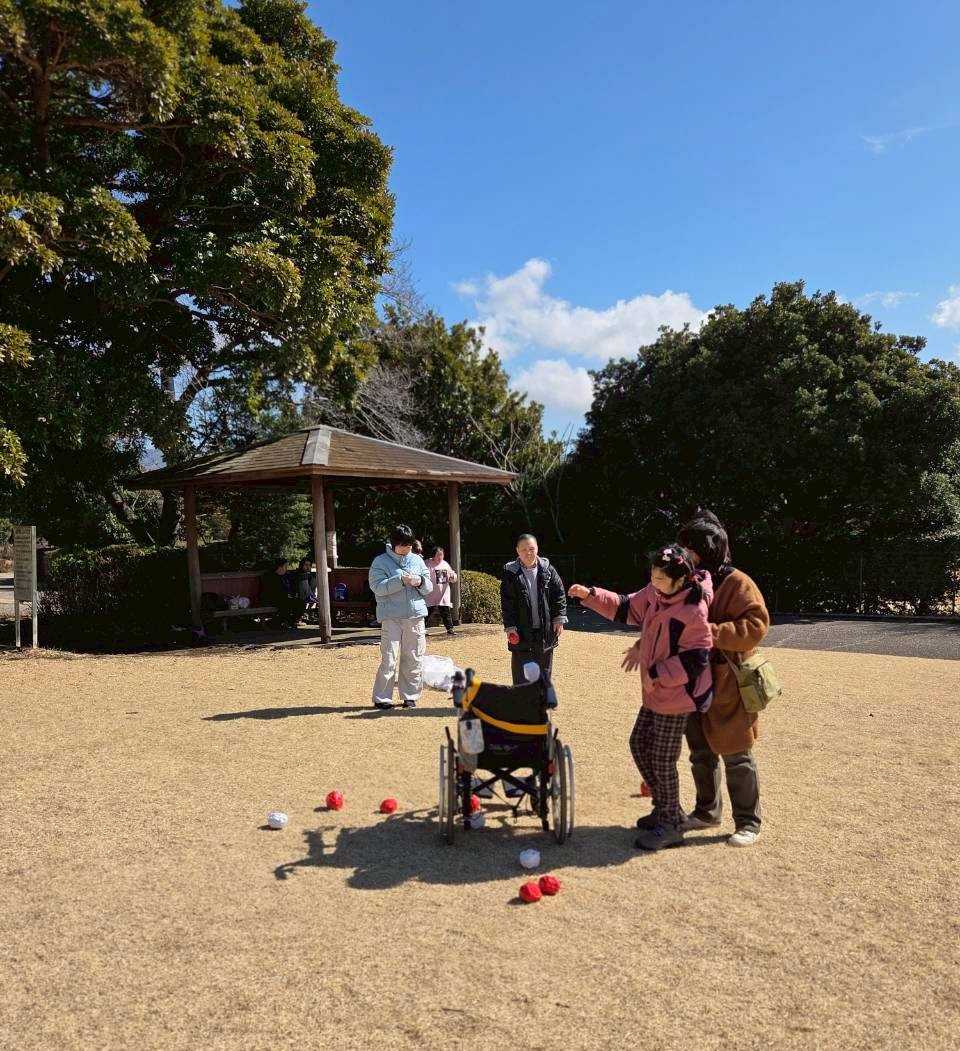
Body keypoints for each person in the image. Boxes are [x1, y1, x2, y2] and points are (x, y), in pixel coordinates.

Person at [569, 544, 714, 850]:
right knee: (639, 744)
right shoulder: (656, 594)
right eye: (652, 576)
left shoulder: (693, 610)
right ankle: (666, 809)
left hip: (677, 697)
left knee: (662, 760)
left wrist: (656, 673)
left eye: (660, 578)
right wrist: (590, 595)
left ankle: (671, 824)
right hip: (656, 693)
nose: (653, 582)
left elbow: (696, 659)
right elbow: (626, 607)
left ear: (680, 580)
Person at [675, 511, 769, 847]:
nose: (682, 554)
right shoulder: (686, 580)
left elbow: (756, 626)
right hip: (692, 681)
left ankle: (748, 822)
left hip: (729, 683)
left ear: (704, 550)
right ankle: (706, 811)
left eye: (688, 548)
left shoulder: (738, 582)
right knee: (700, 752)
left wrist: (710, 632)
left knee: (737, 754)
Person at [368, 524, 433, 710]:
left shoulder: (417, 560)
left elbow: (429, 587)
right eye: (404, 545)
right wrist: (400, 581)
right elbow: (377, 587)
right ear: (394, 544)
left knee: (414, 657)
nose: (407, 549)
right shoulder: (380, 562)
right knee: (389, 658)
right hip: (391, 617)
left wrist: (420, 581)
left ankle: (410, 696)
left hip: (415, 616)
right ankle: (382, 698)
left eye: (410, 545)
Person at [500, 534, 567, 686]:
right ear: (517, 551)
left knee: (544, 672)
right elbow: (507, 603)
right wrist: (510, 627)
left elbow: (559, 595)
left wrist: (559, 619)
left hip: (545, 630)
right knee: (521, 673)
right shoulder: (510, 573)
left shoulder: (548, 569)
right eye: (524, 549)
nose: (528, 553)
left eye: (531, 548)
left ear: (537, 549)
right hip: (521, 630)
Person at [424, 543, 458, 634]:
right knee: (427, 612)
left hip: (443, 593)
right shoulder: (427, 563)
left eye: (441, 555)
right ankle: (421, 629)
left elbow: (453, 575)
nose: (440, 557)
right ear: (433, 555)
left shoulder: (445, 564)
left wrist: (453, 577)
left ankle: (450, 629)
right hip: (430, 594)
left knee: (446, 611)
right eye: (438, 555)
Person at [261, 558, 305, 628]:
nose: (286, 568)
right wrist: (287, 594)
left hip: (286, 597)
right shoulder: (270, 576)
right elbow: (272, 591)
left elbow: (293, 586)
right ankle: (285, 622)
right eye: (285, 566)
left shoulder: (287, 575)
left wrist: (293, 593)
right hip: (274, 598)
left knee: (301, 602)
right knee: (285, 604)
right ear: (280, 567)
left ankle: (293, 621)